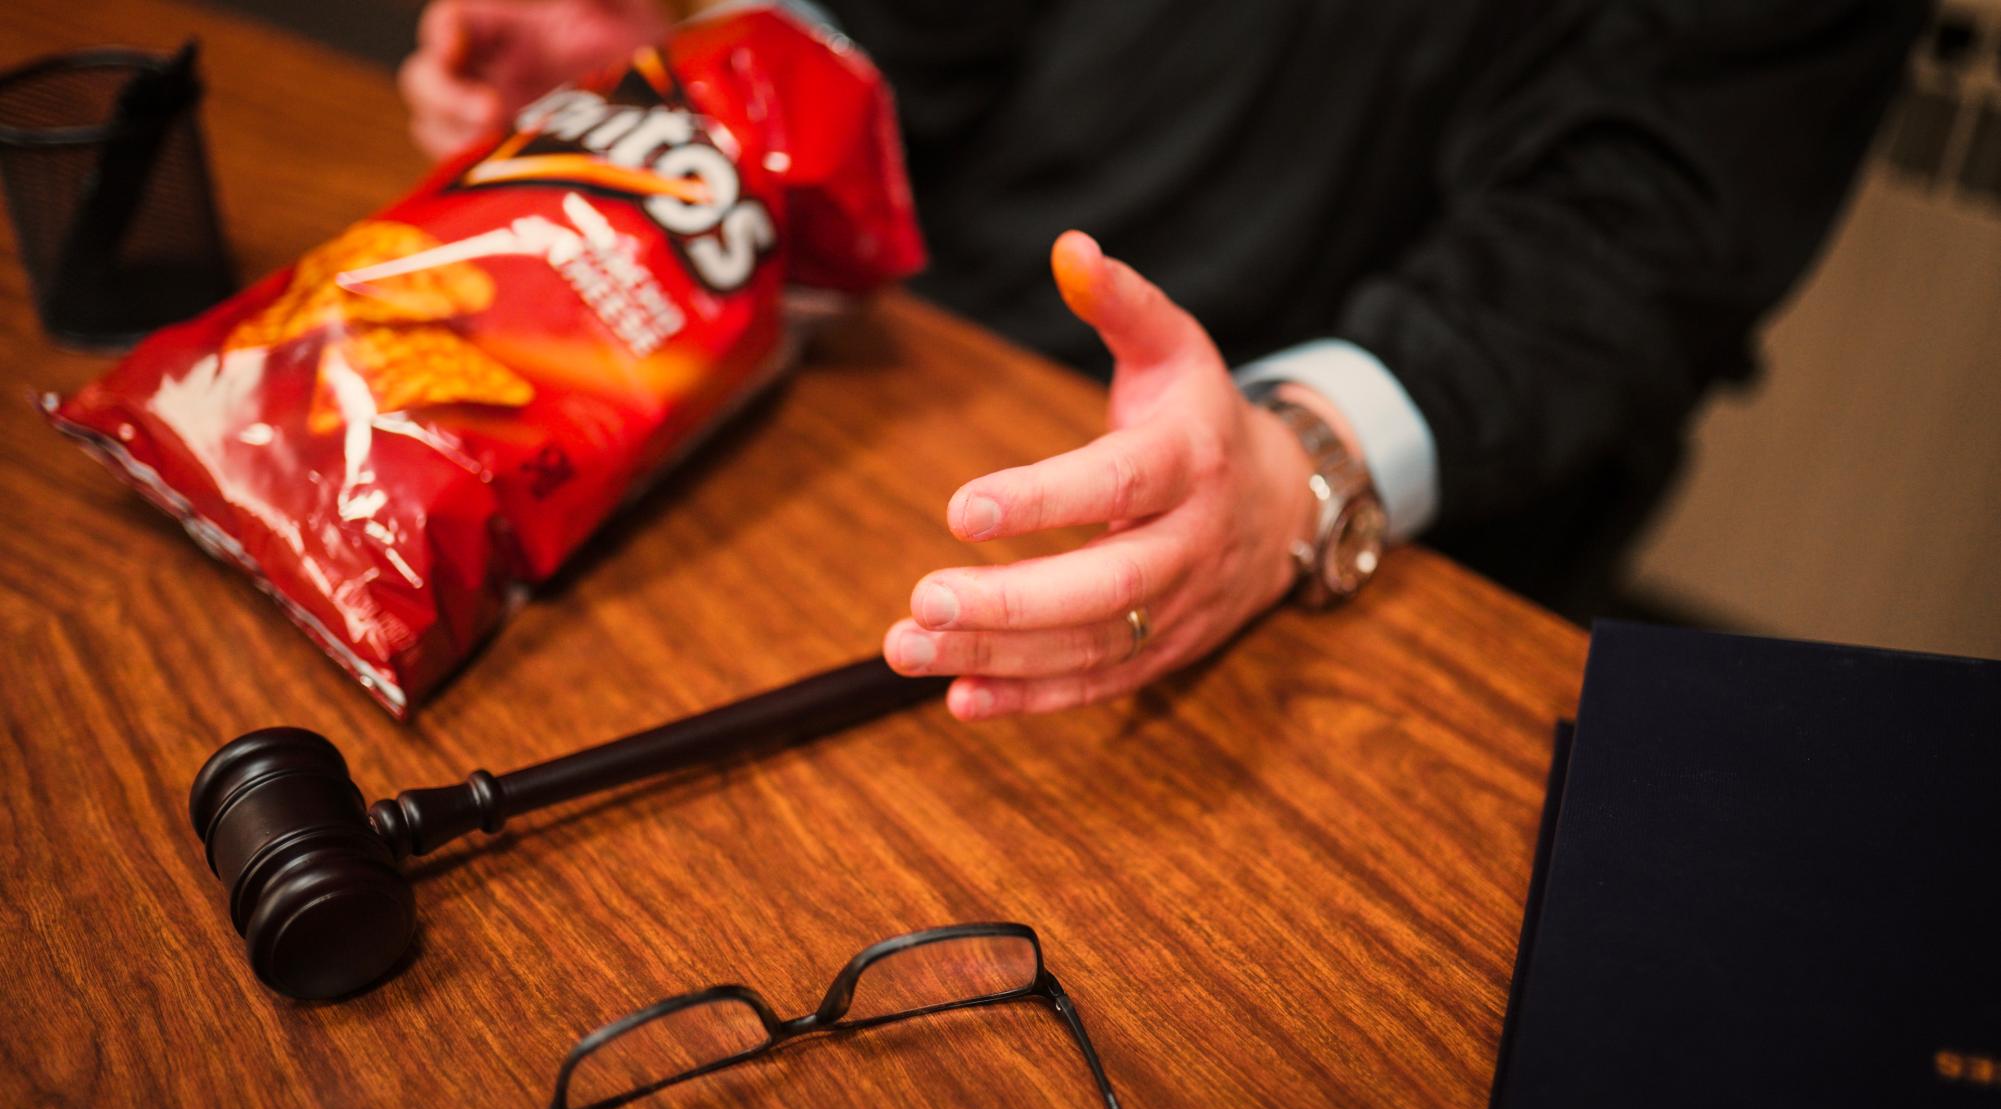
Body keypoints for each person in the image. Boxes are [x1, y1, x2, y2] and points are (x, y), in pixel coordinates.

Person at [402, 0, 1925, 721]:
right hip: (924, 381)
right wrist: (679, 109)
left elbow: (1636, 229)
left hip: (1379, 557)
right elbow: (913, 36)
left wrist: (1299, 463)